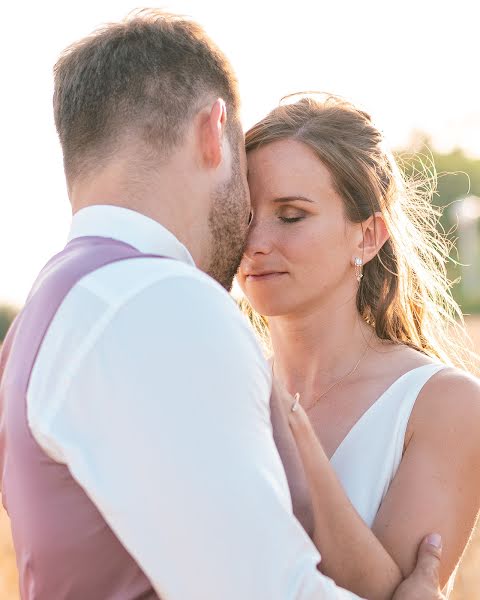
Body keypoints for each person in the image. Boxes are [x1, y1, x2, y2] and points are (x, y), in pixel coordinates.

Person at [0, 10, 444, 599]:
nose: (256, 241)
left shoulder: (46, 311)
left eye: (290, 214)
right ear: (214, 131)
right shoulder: (160, 299)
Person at [237, 94, 480, 600]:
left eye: (291, 215)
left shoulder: (445, 405)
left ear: (367, 237)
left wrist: (290, 428)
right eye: (243, 215)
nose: (255, 242)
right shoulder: (223, 389)